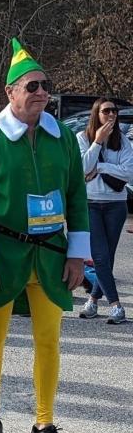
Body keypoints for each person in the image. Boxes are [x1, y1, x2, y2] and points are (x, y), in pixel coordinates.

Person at [0, 38, 90, 433]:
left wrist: (77, 254)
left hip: (52, 253)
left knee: (49, 339)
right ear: (10, 92)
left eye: (45, 86)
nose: (41, 93)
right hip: (3, 251)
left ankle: (43, 425)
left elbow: (76, 197)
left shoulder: (64, 140)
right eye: (32, 86)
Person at [75, 97, 133, 324]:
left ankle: (92, 301)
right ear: (96, 114)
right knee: (99, 256)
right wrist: (97, 142)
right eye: (106, 111)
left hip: (116, 205)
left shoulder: (123, 142)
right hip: (90, 203)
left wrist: (99, 167)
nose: (111, 115)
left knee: (107, 257)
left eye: (114, 112)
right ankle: (116, 306)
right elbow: (81, 168)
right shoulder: (83, 138)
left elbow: (129, 174)